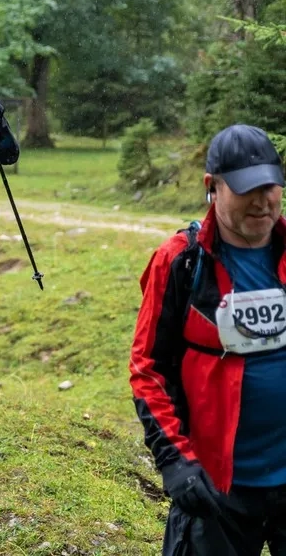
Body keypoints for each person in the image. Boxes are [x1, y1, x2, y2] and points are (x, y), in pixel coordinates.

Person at [131, 123, 286, 556]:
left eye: (271, 186)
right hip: (216, 489)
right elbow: (148, 370)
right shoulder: (179, 262)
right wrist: (175, 460)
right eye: (245, 189)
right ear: (211, 188)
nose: (262, 201)